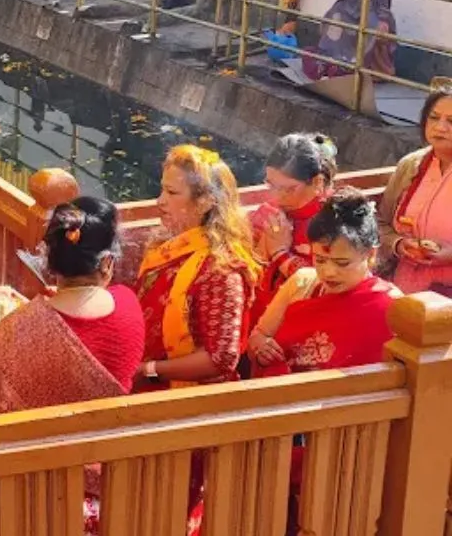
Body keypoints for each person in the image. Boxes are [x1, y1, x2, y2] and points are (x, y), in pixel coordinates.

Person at [0, 197, 144, 536]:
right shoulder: (129, 309)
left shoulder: (21, 326)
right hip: (106, 492)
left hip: (27, 493)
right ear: (107, 263)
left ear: (50, 262)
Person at [0, 196, 144, 409]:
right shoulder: (128, 304)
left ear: (50, 261)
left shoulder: (17, 328)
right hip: (110, 439)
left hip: (33, 441)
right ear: (107, 262)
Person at [136, 145, 259, 389]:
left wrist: (149, 370)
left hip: (188, 400)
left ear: (205, 202)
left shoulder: (222, 269)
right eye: (162, 189)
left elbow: (220, 358)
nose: (160, 201)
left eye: (171, 193)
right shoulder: (168, 245)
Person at [249, 189, 400, 375]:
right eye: (319, 260)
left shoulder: (392, 305)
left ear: (370, 255)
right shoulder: (302, 283)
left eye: (342, 263)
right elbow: (259, 336)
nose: (328, 272)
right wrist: (262, 350)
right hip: (288, 396)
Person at [249, 134, 338, 327]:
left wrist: (281, 254)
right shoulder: (267, 212)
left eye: (289, 189)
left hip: (307, 320)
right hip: (261, 317)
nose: (277, 196)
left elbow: (328, 281)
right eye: (272, 185)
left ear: (316, 182)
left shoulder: (335, 221)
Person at [377, 84, 452, 294]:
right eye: (434, 118)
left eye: (451, 121)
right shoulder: (411, 165)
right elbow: (380, 222)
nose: (440, 127)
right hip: (401, 288)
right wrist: (399, 244)